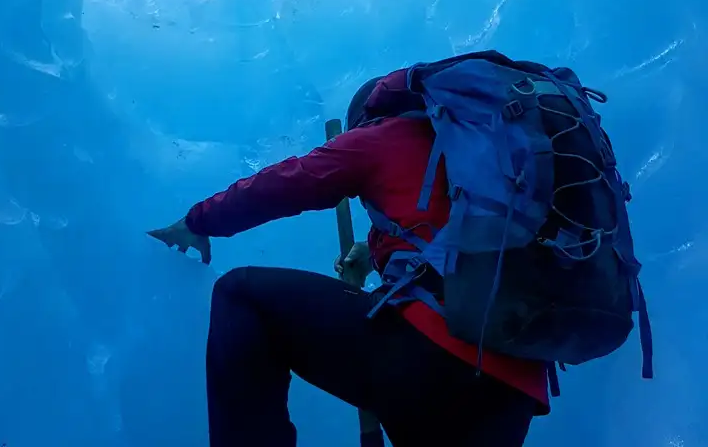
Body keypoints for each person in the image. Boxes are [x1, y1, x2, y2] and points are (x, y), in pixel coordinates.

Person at [149, 73, 549, 447]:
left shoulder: (385, 135)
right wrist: (373, 257)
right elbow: (448, 238)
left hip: (437, 357)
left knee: (240, 294)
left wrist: (199, 220)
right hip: (512, 396)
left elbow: (290, 181)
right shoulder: (490, 165)